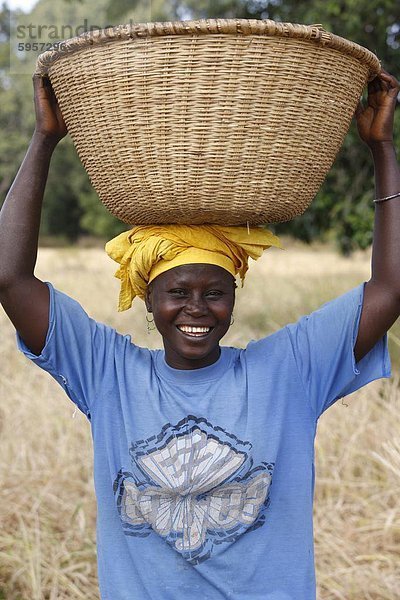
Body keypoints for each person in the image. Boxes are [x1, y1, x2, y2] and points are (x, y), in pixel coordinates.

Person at [0, 69, 399, 600]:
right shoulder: (108, 373)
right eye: (178, 293)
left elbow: (391, 288)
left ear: (233, 299)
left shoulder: (288, 371)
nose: (197, 309)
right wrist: (45, 138)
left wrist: (382, 149)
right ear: (148, 299)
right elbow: (9, 277)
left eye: (215, 293)